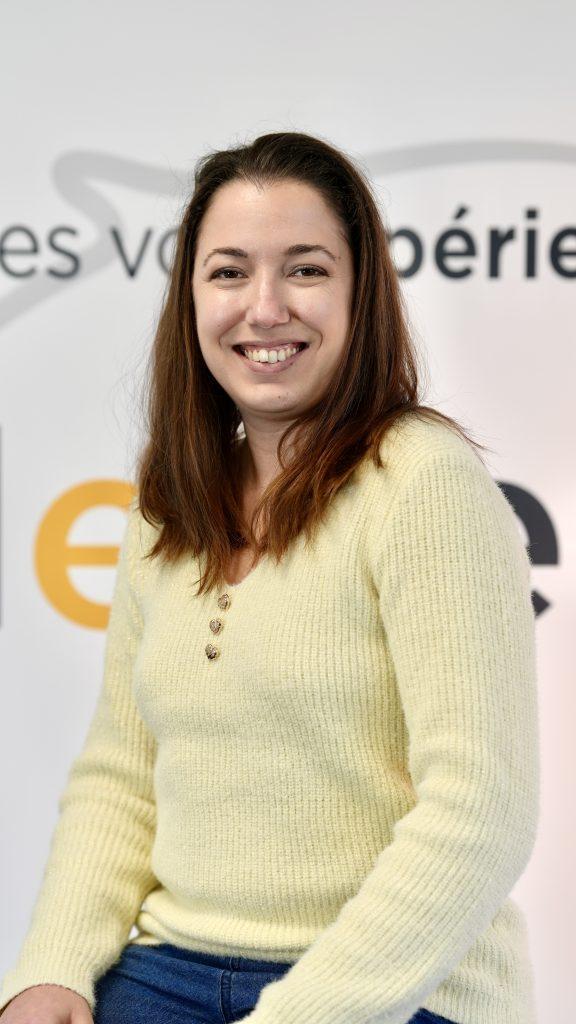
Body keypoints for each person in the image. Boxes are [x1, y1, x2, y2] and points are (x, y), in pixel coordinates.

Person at [0, 131, 540, 1024]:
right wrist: (50, 968)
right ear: (191, 299)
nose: (264, 307)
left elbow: (482, 809)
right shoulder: (167, 501)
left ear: (361, 294)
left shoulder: (422, 481)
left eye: (306, 270)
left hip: (401, 987)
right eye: (229, 272)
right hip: (170, 970)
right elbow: (122, 776)